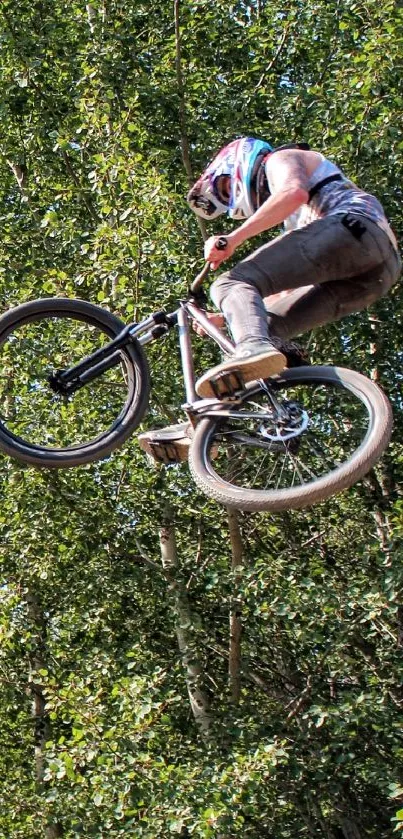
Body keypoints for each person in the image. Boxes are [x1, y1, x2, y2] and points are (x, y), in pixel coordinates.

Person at [187, 137, 401, 397]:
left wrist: (233, 239)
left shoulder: (280, 158)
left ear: (236, 161)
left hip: (353, 226)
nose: (232, 201)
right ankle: (216, 424)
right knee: (256, 329)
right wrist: (229, 315)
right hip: (379, 273)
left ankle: (252, 347)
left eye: (225, 188)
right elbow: (286, 291)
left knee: (230, 282)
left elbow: (294, 192)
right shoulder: (300, 224)